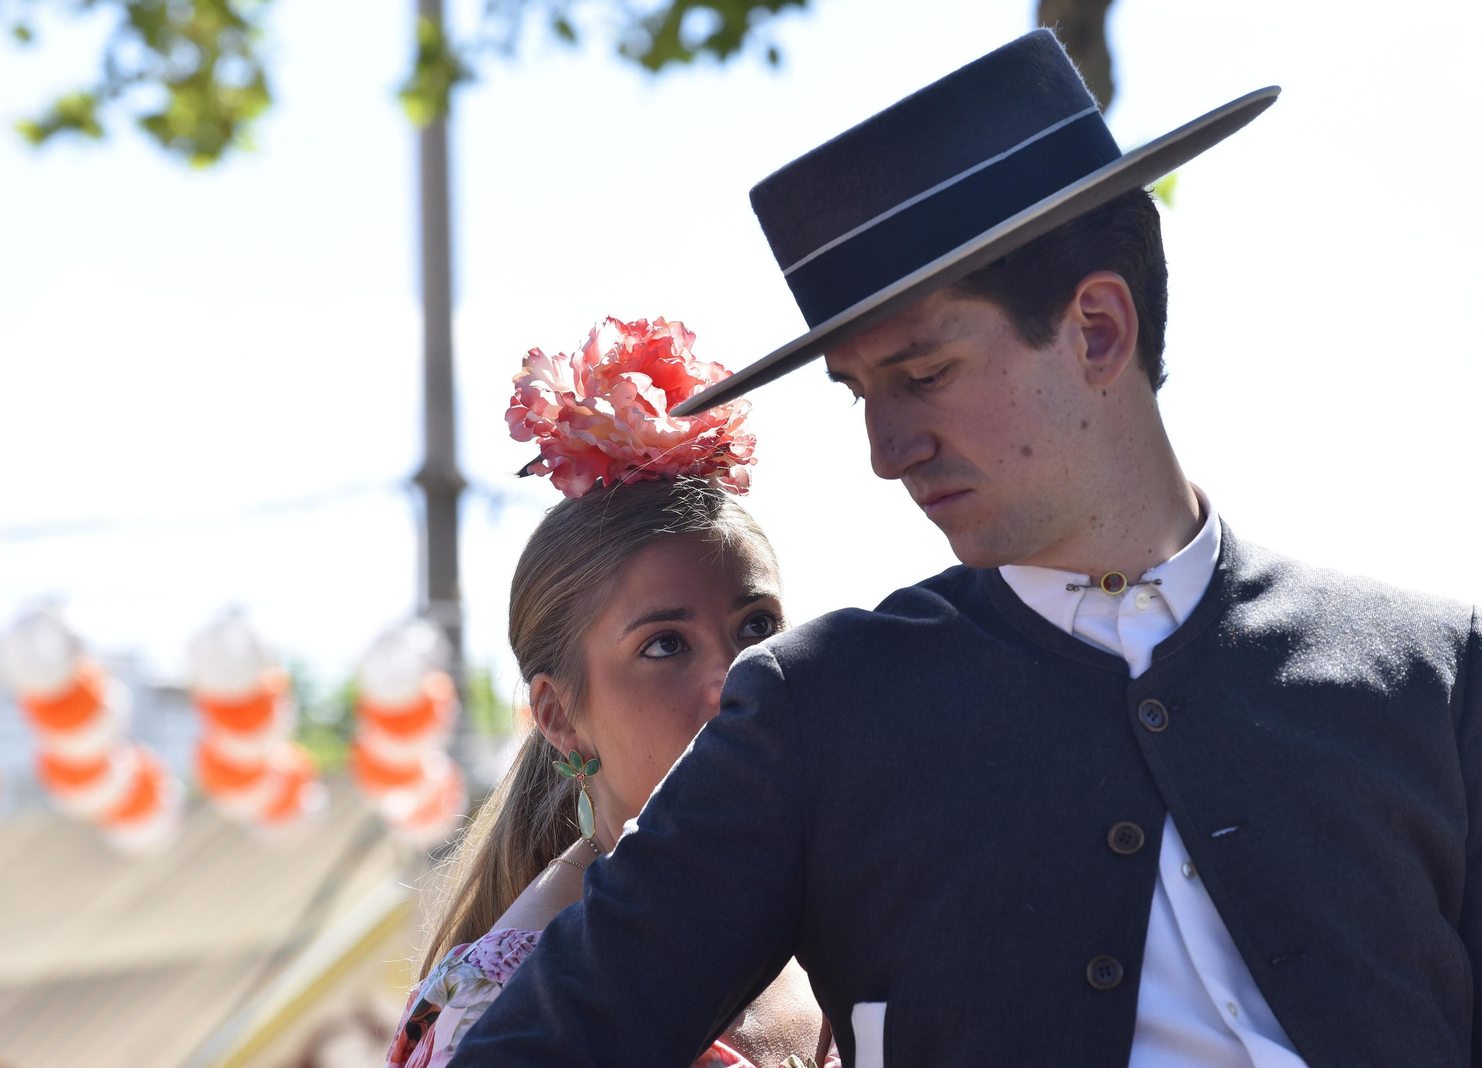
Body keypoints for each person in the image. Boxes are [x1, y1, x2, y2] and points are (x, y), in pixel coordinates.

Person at [442, 29, 1482, 1068]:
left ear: (1097, 331)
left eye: (923, 375)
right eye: (858, 393)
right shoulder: (812, 711)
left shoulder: (1435, 675)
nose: (885, 452)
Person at [384, 316, 835, 1068]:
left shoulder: (846, 924)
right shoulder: (505, 1008)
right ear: (559, 716)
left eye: (757, 628)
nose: (740, 678)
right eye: (664, 644)